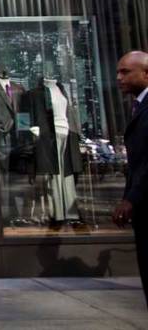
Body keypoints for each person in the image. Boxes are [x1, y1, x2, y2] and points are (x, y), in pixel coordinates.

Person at [112, 50, 148, 306]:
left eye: (125, 72)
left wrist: (131, 199)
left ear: (146, 74)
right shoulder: (139, 106)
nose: (118, 77)